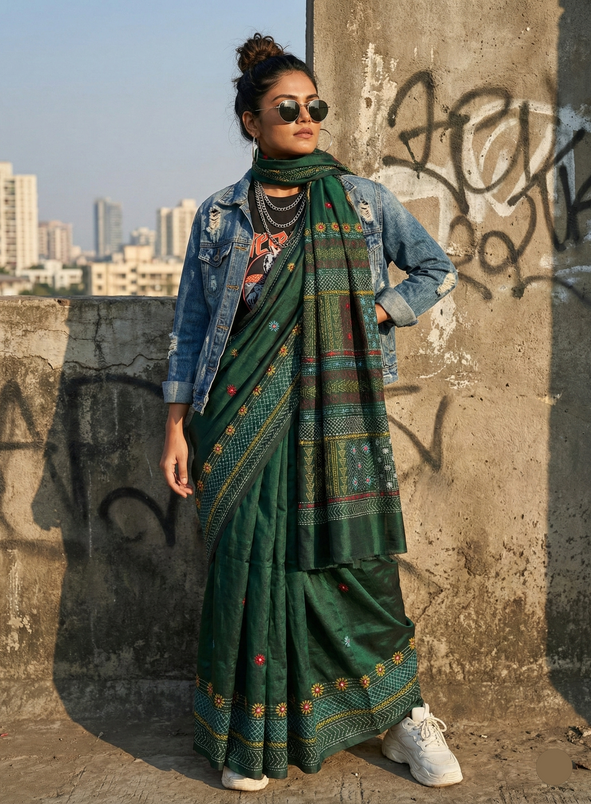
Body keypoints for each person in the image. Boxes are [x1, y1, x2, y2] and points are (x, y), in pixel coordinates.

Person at [160, 33, 462, 793]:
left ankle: (402, 719)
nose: (304, 118)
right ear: (250, 122)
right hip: (236, 422)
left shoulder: (362, 201)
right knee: (249, 570)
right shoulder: (222, 216)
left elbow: (436, 267)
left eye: (313, 107)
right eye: (286, 108)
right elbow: (193, 328)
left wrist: (380, 313)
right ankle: (250, 736)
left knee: (356, 569)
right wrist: (173, 426)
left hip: (337, 418)